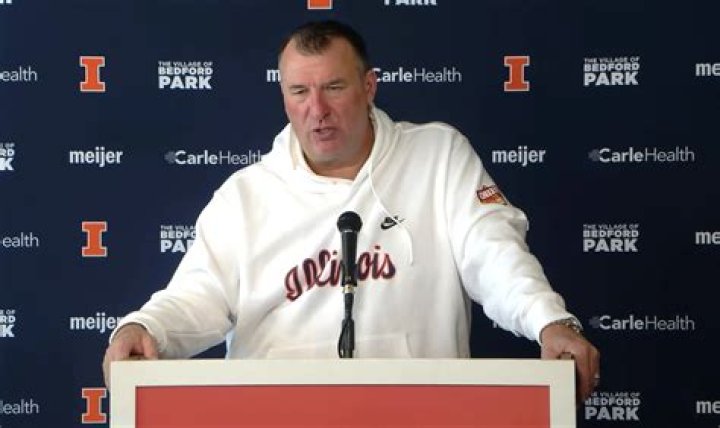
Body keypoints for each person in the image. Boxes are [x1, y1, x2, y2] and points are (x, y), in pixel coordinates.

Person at [103, 19, 600, 403]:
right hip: (276, 413)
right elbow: (198, 295)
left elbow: (493, 253)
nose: (317, 110)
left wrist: (549, 321)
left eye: (334, 88)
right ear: (283, 97)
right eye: (300, 92)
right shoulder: (245, 195)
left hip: (420, 410)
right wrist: (145, 328)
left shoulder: (438, 157)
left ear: (369, 87)